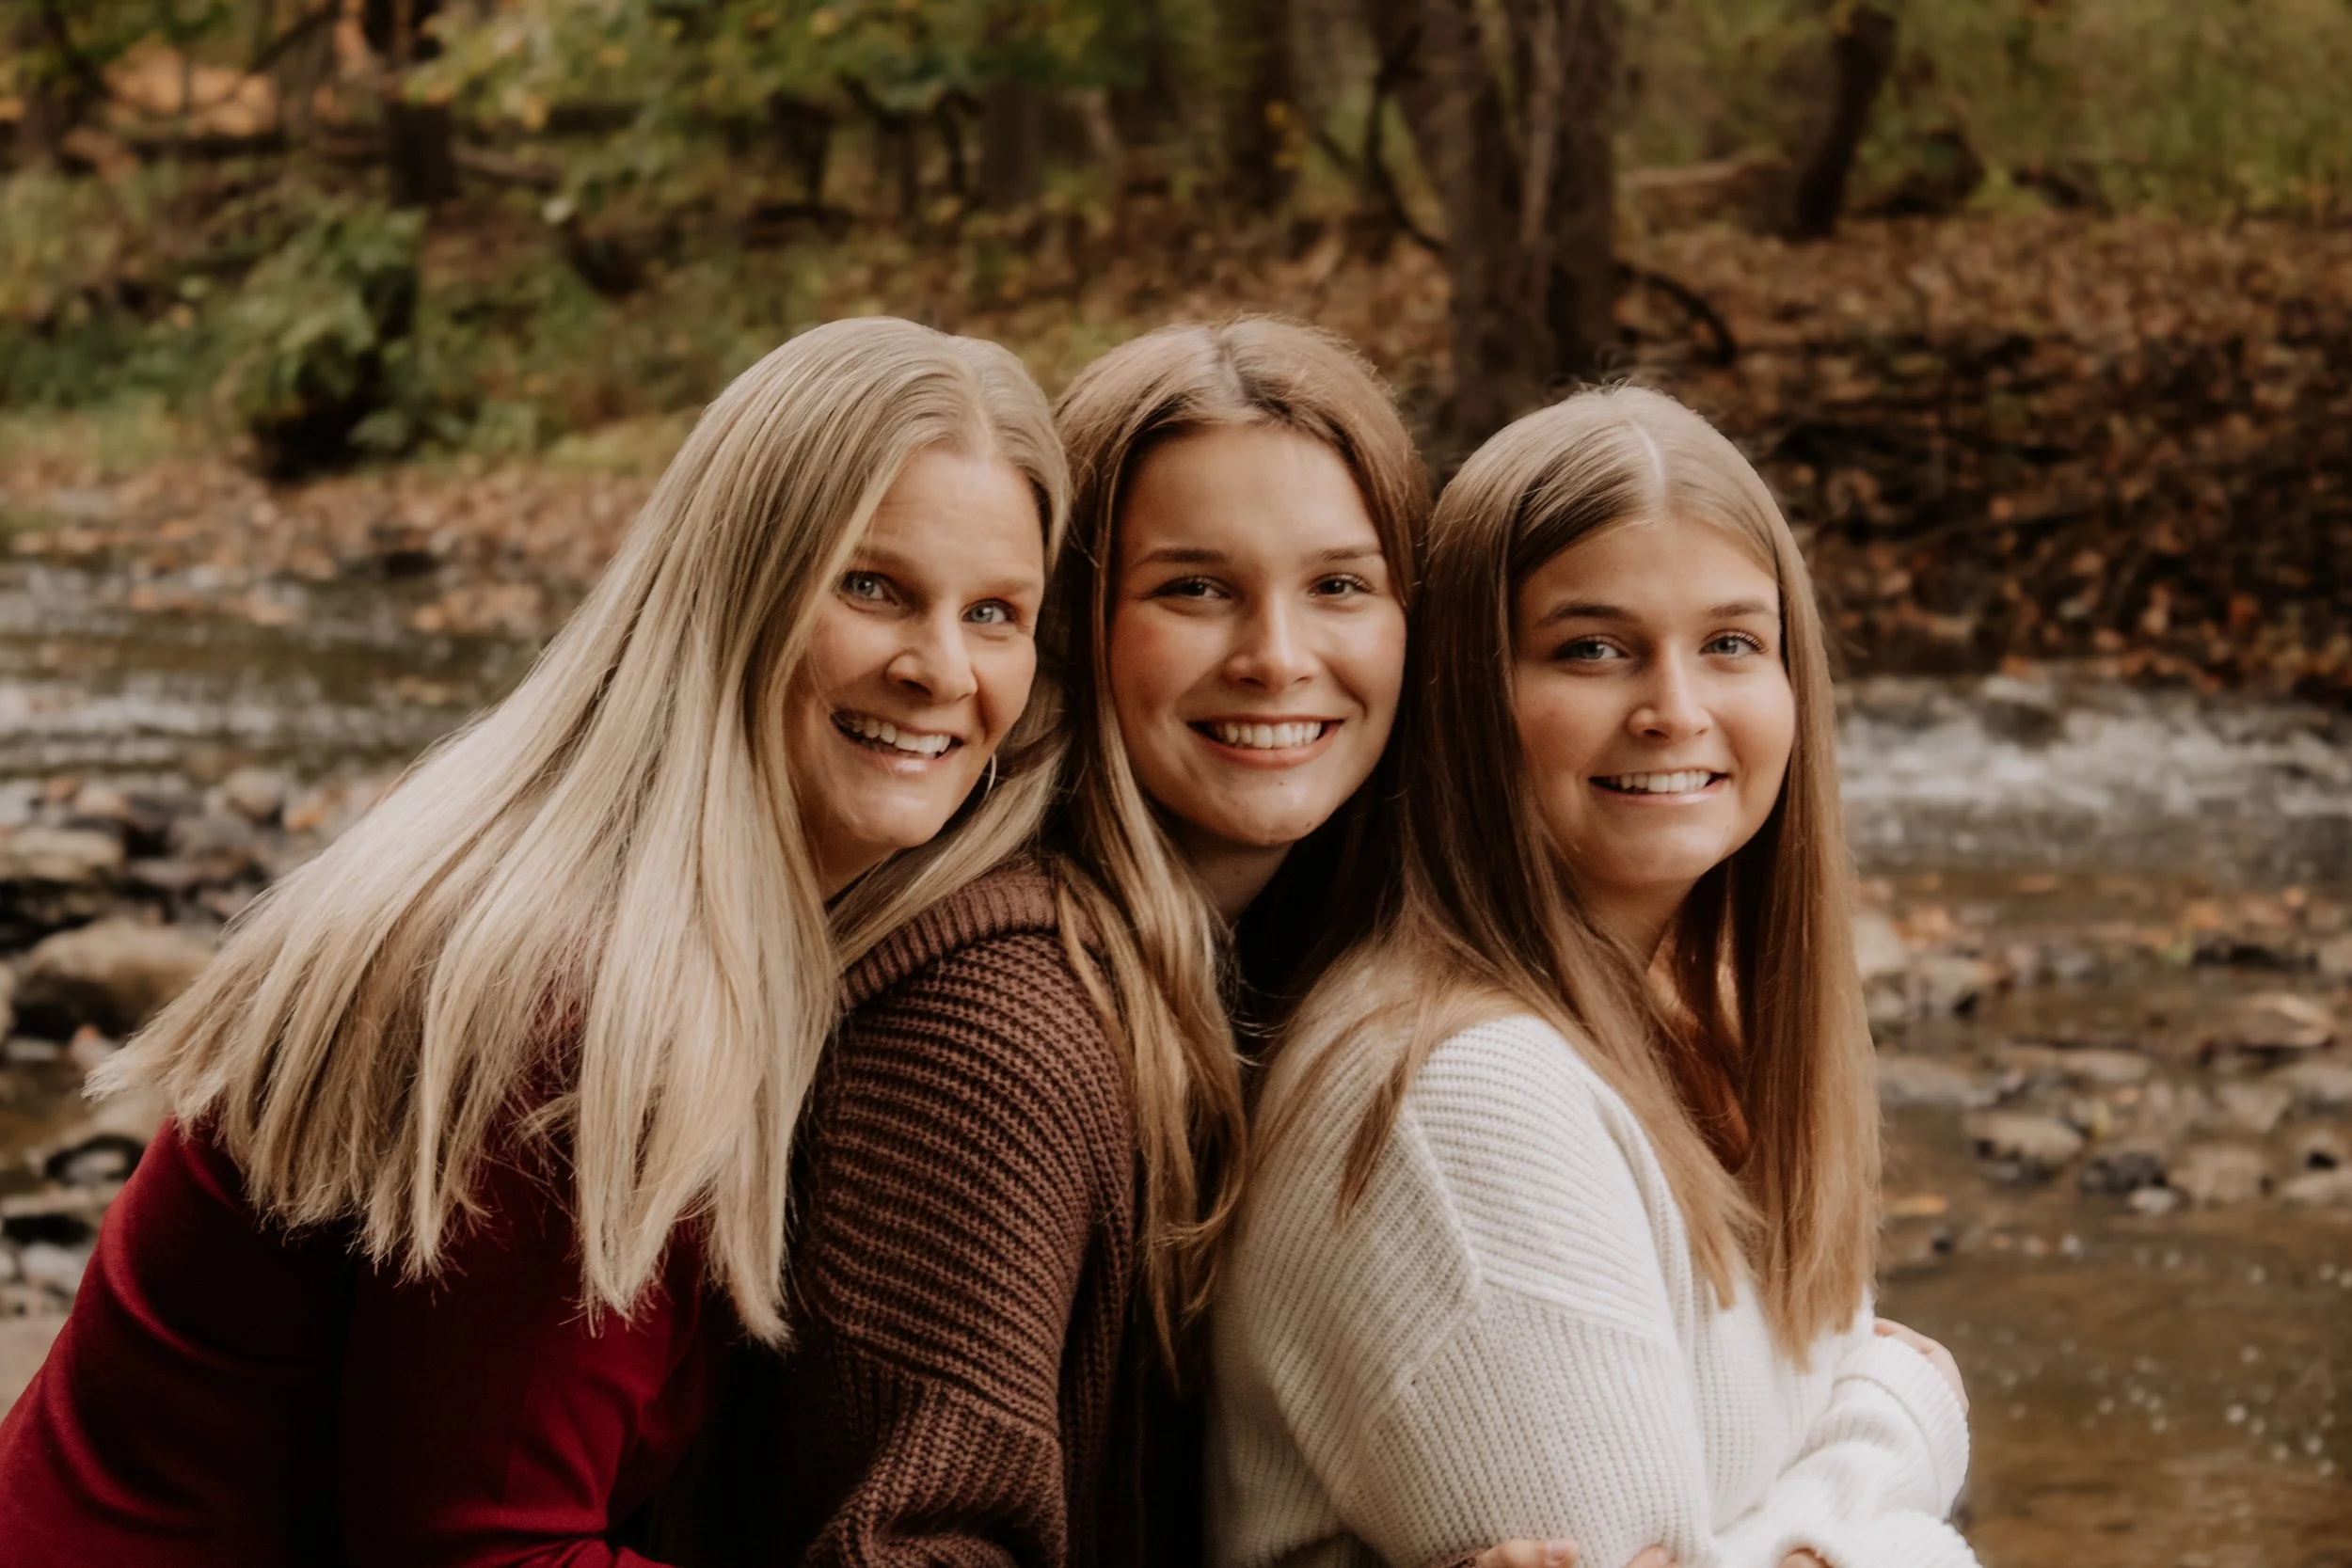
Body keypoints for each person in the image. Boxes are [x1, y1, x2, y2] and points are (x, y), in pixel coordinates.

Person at [0, 315, 1071, 1567]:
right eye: (872, 586)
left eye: (996, 611)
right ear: (737, 584)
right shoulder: (586, 987)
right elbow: (490, 1553)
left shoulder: (589, 856)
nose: (942, 668)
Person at [665, 316, 1429, 1568]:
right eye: (1196, 586)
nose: (1279, 657)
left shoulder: (1286, 970)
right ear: (1066, 623)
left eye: (1339, 584)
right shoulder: (998, 1031)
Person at [1211, 386, 1979, 1568]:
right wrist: (1906, 1450)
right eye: (1593, 650)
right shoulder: (1461, 1096)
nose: (1675, 711)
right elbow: (1883, 1378)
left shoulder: (1715, 1001)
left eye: (1730, 643)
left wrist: (1818, 1518)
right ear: (1466, 695)